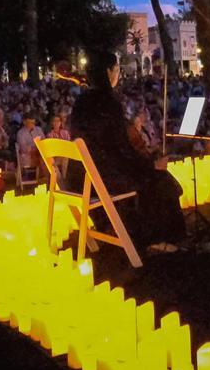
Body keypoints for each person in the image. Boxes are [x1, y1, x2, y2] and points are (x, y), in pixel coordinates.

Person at [69, 50, 186, 253]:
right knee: (160, 179)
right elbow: (121, 151)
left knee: (151, 175)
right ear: (108, 72)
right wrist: (151, 165)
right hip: (102, 177)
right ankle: (158, 239)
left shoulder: (82, 101)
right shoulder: (108, 102)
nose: (118, 74)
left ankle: (128, 228)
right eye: (116, 69)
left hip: (81, 176)